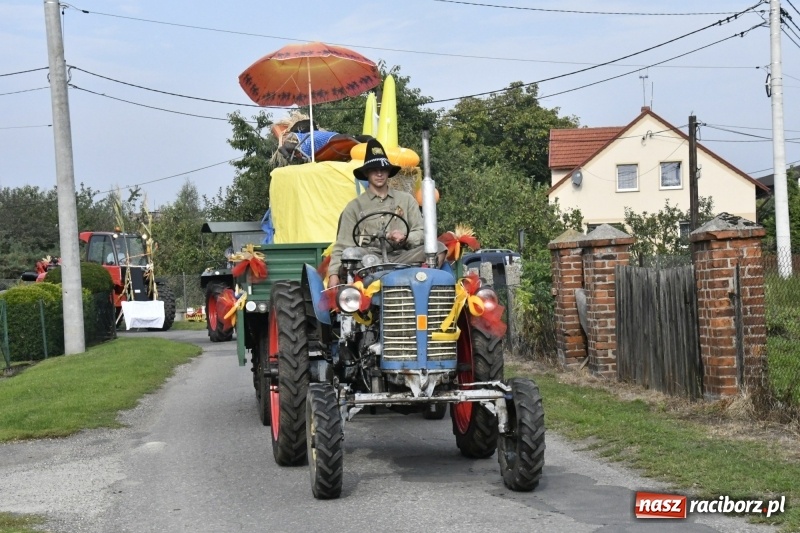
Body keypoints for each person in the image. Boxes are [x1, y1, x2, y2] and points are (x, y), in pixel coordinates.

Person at [327, 138, 443, 287]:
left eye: (383, 169)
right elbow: (343, 244)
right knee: (350, 254)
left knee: (438, 247)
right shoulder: (354, 207)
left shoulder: (406, 200)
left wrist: (405, 237)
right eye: (374, 170)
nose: (379, 174)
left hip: (402, 256)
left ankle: (428, 286)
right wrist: (333, 274)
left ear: (389, 172)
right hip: (369, 259)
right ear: (367, 173)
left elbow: (421, 231)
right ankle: (353, 299)